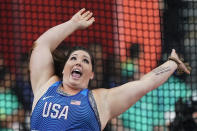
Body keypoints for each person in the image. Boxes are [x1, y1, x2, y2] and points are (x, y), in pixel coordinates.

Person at [29, 8, 191, 130]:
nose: (78, 62)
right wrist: (72, 24)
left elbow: (145, 83)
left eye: (85, 60)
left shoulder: (100, 101)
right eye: (73, 58)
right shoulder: (45, 86)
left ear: (91, 74)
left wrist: (172, 63)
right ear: (64, 69)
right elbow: (41, 45)